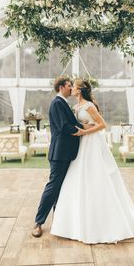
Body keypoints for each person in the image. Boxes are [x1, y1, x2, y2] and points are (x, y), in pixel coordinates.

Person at [51, 78, 134, 244]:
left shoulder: (89, 106)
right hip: (81, 145)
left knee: (96, 174)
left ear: (79, 90)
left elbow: (102, 125)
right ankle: (75, 221)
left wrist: (84, 133)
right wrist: (81, 130)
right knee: (78, 177)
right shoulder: (75, 107)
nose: (72, 88)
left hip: (92, 143)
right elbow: (75, 124)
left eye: (73, 86)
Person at [32, 76, 91, 238]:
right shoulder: (57, 103)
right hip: (60, 153)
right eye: (69, 85)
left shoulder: (64, 103)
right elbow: (64, 126)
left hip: (67, 153)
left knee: (62, 188)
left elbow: (73, 122)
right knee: (52, 187)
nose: (71, 88)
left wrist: (87, 126)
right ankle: (38, 223)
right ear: (61, 87)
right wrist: (83, 131)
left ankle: (59, 221)